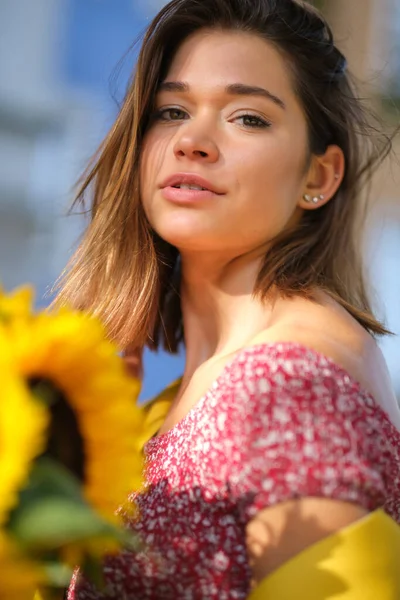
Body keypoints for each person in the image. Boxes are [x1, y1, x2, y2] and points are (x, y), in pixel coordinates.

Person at [61, 0, 400, 597]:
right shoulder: (180, 392)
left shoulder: (291, 382)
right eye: (172, 110)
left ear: (318, 177)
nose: (193, 140)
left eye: (247, 118)